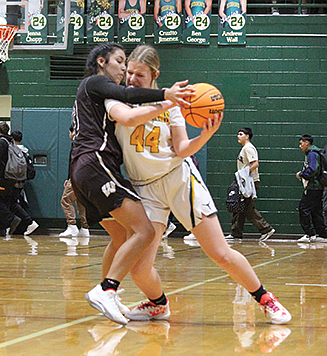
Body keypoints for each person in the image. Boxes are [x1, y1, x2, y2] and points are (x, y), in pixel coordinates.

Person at [103, 44, 291, 325]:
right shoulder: (119, 100)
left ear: (155, 74)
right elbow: (129, 118)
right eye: (129, 72)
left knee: (219, 253)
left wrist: (206, 134)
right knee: (140, 269)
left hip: (178, 178)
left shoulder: (173, 108)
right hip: (144, 187)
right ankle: (158, 304)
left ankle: (266, 299)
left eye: (139, 75)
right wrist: (168, 101)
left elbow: (181, 148)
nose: (131, 79)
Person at [69, 42, 193, 325]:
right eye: (119, 61)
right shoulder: (97, 82)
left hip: (83, 170)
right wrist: (167, 94)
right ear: (101, 61)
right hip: (96, 164)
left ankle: (107, 294)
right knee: (145, 230)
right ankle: (107, 290)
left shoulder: (90, 96)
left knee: (121, 236)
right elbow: (127, 95)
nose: (124, 68)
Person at [226, 127, 275, 241]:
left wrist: (243, 175)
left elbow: (255, 164)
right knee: (238, 207)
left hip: (249, 182)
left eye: (241, 134)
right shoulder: (244, 148)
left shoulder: (248, 148)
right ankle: (236, 233)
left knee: (248, 208)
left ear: (247, 136)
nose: (238, 136)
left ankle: (266, 229)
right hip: (244, 182)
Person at [295, 134, 327, 242]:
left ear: (307, 143)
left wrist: (302, 174)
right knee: (316, 210)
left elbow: (313, 169)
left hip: (313, 186)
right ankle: (323, 234)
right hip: (318, 186)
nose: (300, 146)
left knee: (303, 208)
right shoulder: (315, 153)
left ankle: (309, 234)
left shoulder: (312, 154)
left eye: (301, 143)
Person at [59, 126, 89, 238]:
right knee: (81, 202)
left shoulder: (76, 144)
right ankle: (85, 228)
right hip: (86, 176)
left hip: (77, 176)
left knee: (66, 200)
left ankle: (72, 226)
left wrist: (71, 177)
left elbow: (73, 163)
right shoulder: (86, 143)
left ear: (72, 132)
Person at [11, 130, 39, 236]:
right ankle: (23, 225)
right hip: (22, 181)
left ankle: (28, 222)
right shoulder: (25, 151)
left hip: (14, 180)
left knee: (13, 203)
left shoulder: (14, 151)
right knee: (20, 203)